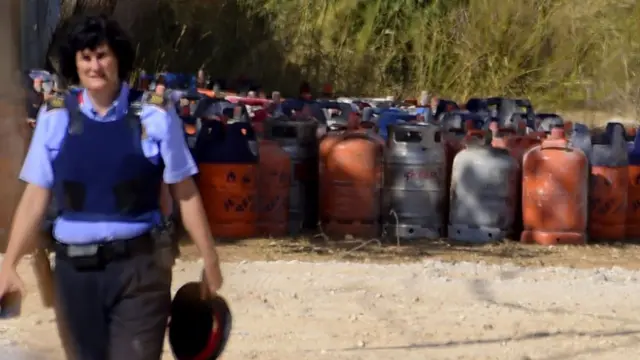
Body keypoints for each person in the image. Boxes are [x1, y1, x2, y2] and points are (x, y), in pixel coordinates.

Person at [0, 14, 223, 360]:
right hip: (75, 277)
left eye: (102, 56)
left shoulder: (155, 116)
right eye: (85, 58)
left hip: (140, 271)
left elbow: (185, 191)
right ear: (75, 63)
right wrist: (8, 263)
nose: (95, 66)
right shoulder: (55, 117)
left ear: (118, 58)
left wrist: (209, 259)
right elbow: (35, 195)